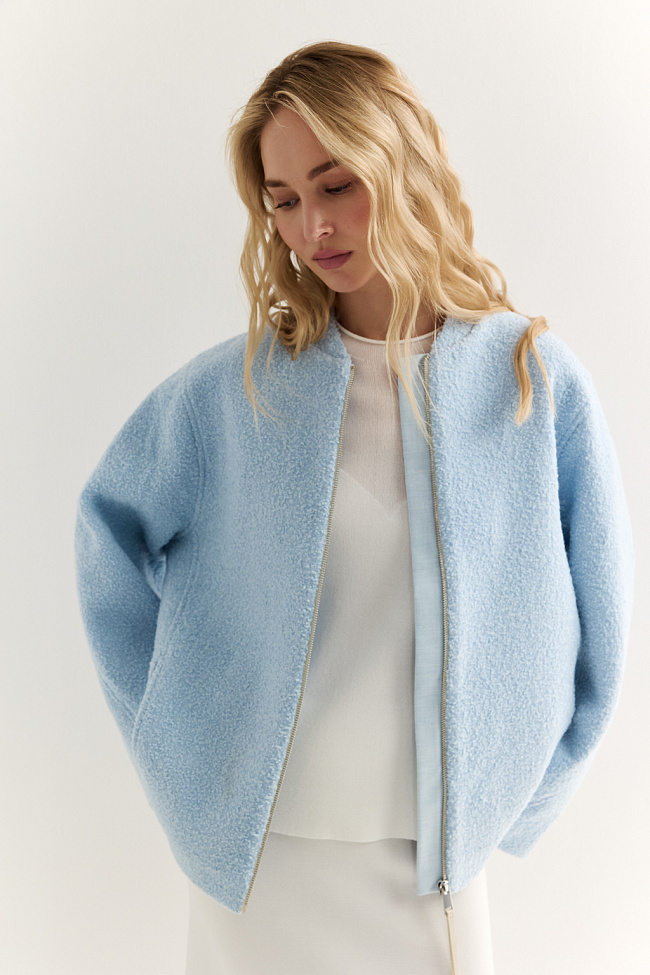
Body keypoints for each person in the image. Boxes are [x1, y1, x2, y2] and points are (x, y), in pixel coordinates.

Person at [73, 41, 635, 975]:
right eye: (284, 200)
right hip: (257, 863)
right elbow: (106, 536)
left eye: (336, 185)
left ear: (400, 164)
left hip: (436, 865)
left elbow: (603, 620)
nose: (313, 227)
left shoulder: (530, 385)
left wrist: (522, 798)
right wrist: (175, 748)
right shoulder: (235, 395)